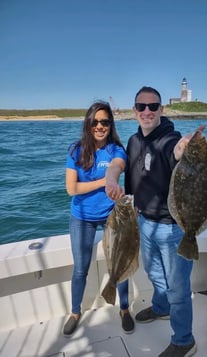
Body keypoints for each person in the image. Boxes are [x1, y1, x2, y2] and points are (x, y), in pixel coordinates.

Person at [106, 87, 204, 357]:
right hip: (144, 223)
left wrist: (184, 147)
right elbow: (123, 168)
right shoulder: (134, 141)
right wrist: (112, 180)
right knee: (153, 273)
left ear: (162, 110)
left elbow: (176, 151)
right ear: (135, 110)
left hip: (173, 228)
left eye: (153, 106)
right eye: (141, 106)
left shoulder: (168, 138)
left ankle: (184, 340)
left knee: (178, 287)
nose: (147, 111)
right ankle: (162, 308)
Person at [63, 101, 135, 336]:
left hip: (113, 216)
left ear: (111, 124)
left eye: (105, 122)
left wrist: (112, 178)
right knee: (80, 268)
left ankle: (124, 309)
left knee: (120, 263)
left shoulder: (116, 149)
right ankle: (75, 312)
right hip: (82, 217)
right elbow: (71, 189)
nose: (100, 126)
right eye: (95, 122)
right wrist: (104, 182)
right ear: (88, 123)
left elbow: (117, 165)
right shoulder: (76, 150)